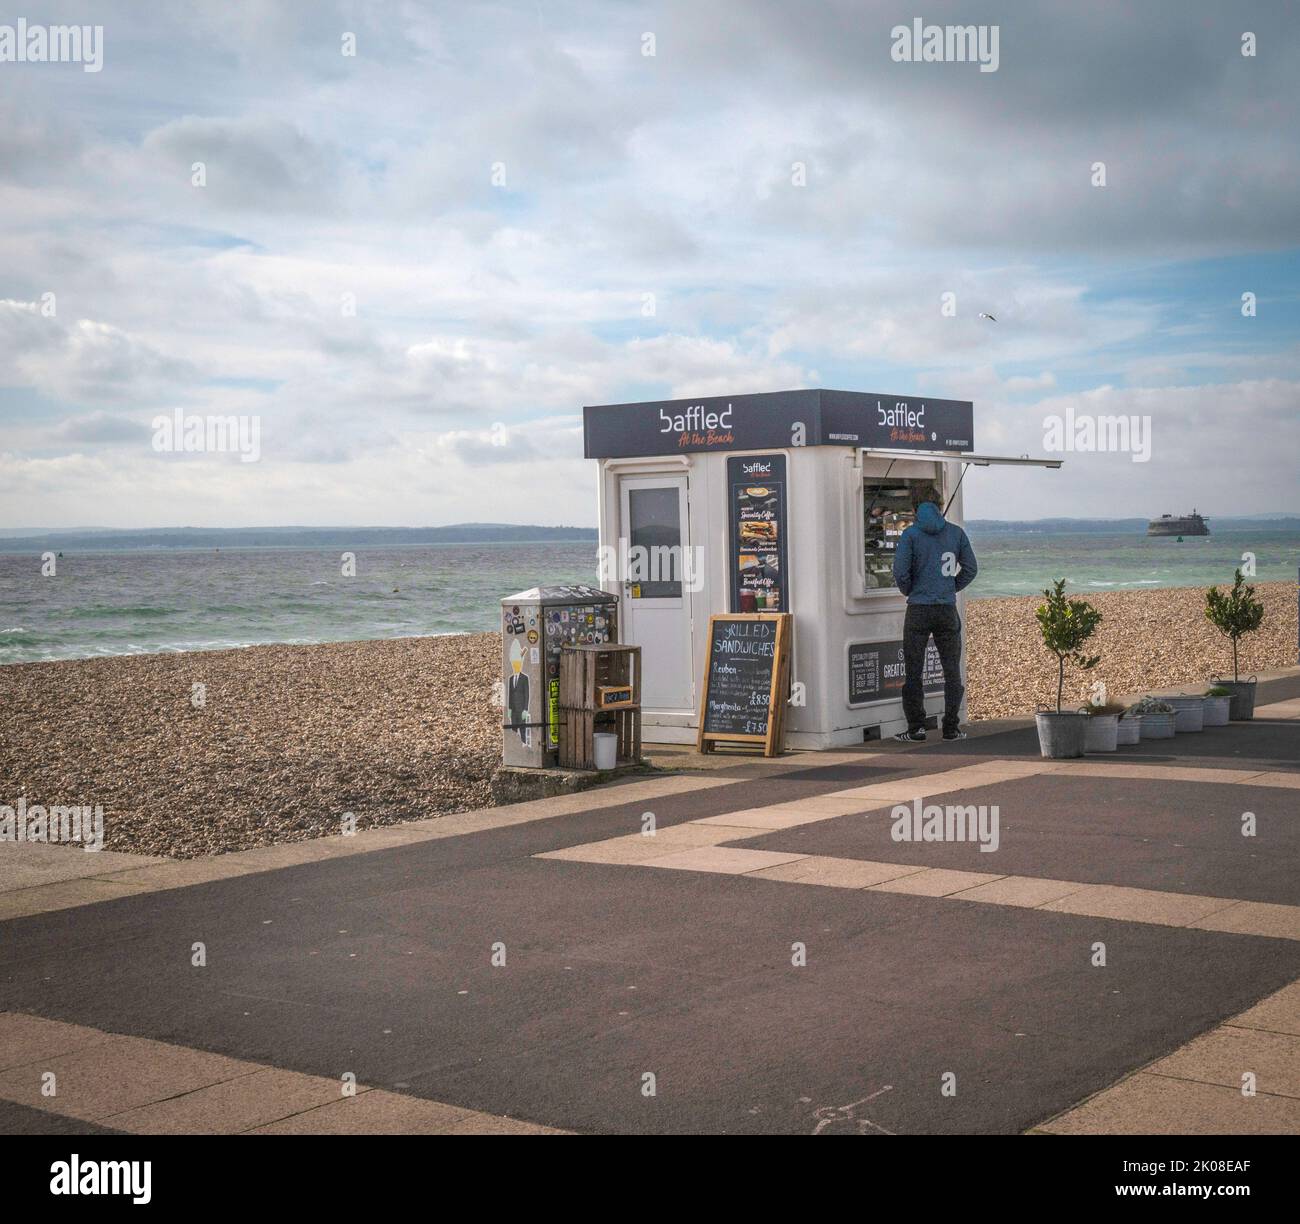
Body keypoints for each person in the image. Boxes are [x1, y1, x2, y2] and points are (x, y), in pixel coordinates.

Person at [891, 484, 977, 742]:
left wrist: (910, 591)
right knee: (952, 670)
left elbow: (900, 572)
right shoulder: (956, 533)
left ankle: (916, 727)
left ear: (915, 507)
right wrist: (951, 587)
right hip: (946, 609)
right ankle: (951, 727)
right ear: (940, 506)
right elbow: (970, 569)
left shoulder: (910, 535)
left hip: (918, 609)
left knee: (914, 670)